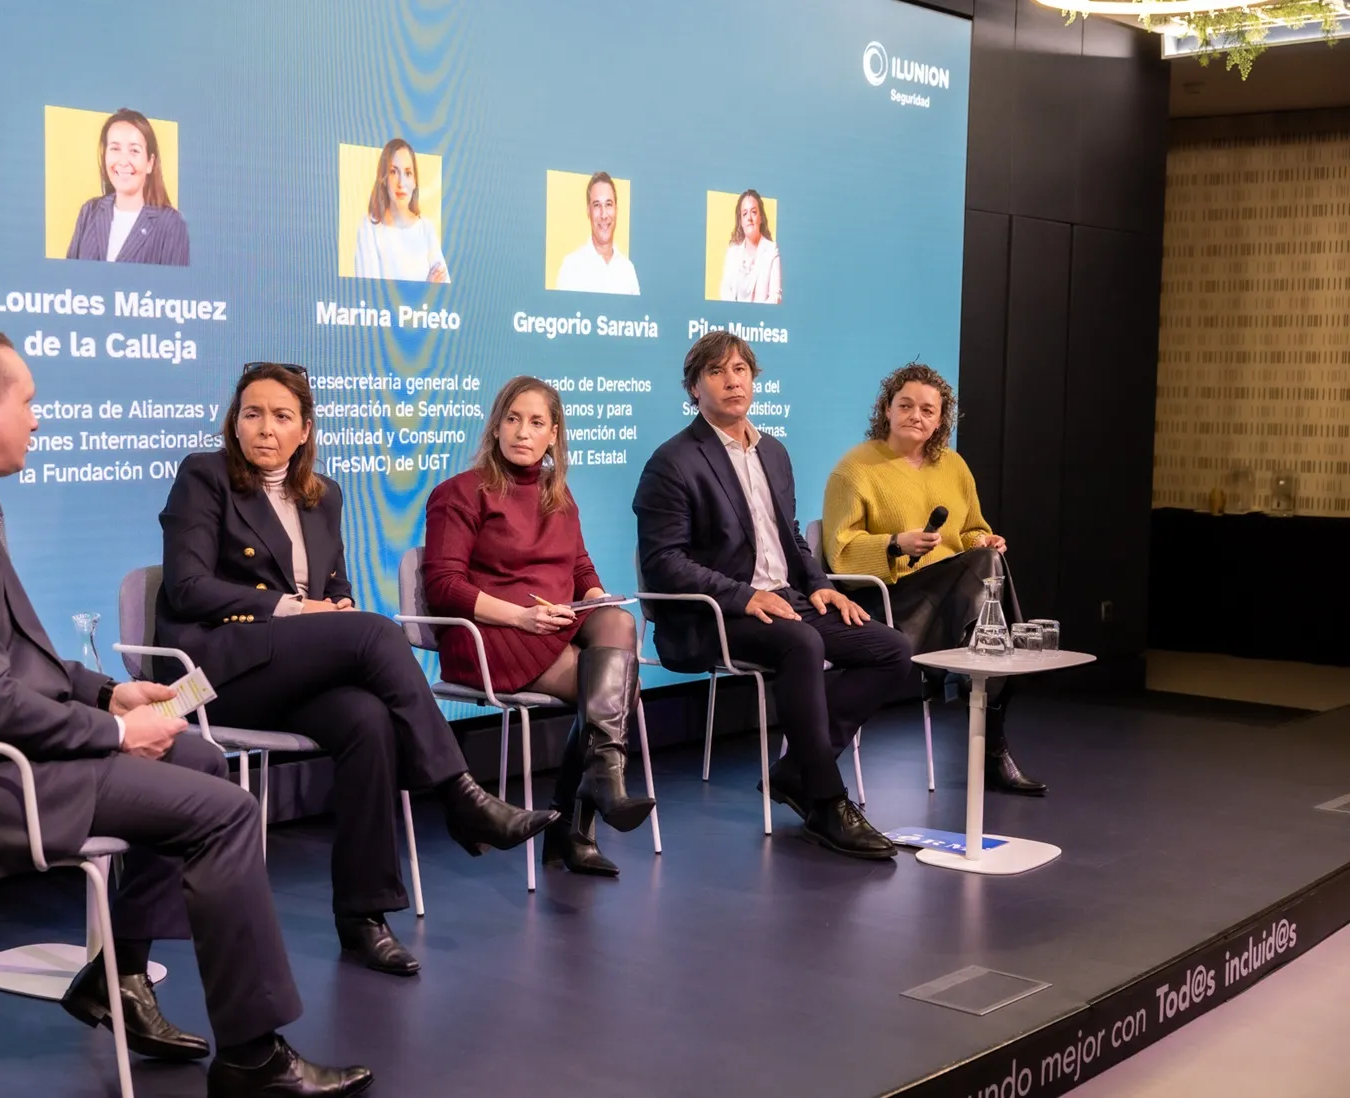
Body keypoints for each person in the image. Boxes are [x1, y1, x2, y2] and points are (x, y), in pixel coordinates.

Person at [0, 331, 369, 1098]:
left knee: (201, 759)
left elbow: (11, 658)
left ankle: (113, 980)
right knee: (224, 812)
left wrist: (106, 694)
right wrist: (117, 733)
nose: (38, 419)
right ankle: (253, 1054)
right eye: (29, 402)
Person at [156, 362, 555, 975]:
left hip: (287, 671)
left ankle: (363, 919)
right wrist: (291, 608)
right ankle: (459, 792)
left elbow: (333, 582)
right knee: (373, 630)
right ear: (234, 422)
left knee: (367, 719)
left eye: (281, 416)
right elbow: (185, 589)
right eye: (252, 413)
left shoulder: (324, 495)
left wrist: (332, 604)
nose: (264, 428)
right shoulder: (204, 476)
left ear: (306, 428)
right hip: (214, 673)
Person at [633, 331, 912, 860]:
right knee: (802, 644)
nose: (732, 380)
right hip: (714, 612)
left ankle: (794, 772)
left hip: (787, 598)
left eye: (741, 369)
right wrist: (743, 596)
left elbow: (790, 539)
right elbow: (663, 563)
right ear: (694, 387)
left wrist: (822, 586)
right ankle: (828, 801)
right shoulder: (672, 461)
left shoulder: (774, 452)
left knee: (891, 649)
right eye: (716, 371)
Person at [423, 377, 656, 878]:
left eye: (535, 423)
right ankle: (579, 822)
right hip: (488, 633)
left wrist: (595, 596)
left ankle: (593, 795)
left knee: (616, 620)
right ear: (496, 425)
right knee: (612, 689)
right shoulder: (461, 493)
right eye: (512, 419)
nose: (521, 432)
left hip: (549, 625)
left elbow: (580, 568)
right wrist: (520, 615)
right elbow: (444, 586)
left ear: (554, 434)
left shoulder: (558, 495)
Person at [821, 363, 1045, 795]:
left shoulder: (954, 467)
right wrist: (895, 544)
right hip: (889, 600)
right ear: (886, 409)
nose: (916, 416)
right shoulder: (855, 469)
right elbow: (841, 552)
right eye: (905, 405)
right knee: (990, 593)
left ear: (940, 420)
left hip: (953, 599)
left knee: (988, 562)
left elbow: (970, 530)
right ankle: (993, 736)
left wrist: (986, 539)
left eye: (927, 409)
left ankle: (984, 673)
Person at [65, 108, 189, 266]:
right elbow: (67, 279)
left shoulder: (171, 223)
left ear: (150, 163)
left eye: (134, 150)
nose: (123, 161)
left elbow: (176, 288)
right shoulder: (89, 211)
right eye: (115, 149)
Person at [351, 138, 448, 282]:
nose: (401, 183)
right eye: (393, 172)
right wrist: (425, 288)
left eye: (408, 173)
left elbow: (444, 292)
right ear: (383, 179)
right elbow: (370, 295)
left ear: (415, 181)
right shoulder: (369, 227)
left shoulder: (426, 228)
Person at [553, 171, 639, 295]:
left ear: (616, 210)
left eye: (608, 204)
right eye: (597, 205)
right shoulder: (571, 268)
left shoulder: (628, 270)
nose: (604, 215)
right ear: (589, 211)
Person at [717, 189, 781, 304]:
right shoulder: (732, 253)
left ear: (761, 217)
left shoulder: (772, 250)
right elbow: (725, 289)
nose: (749, 218)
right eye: (744, 213)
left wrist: (753, 316)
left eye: (754, 212)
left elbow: (775, 297)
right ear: (741, 221)